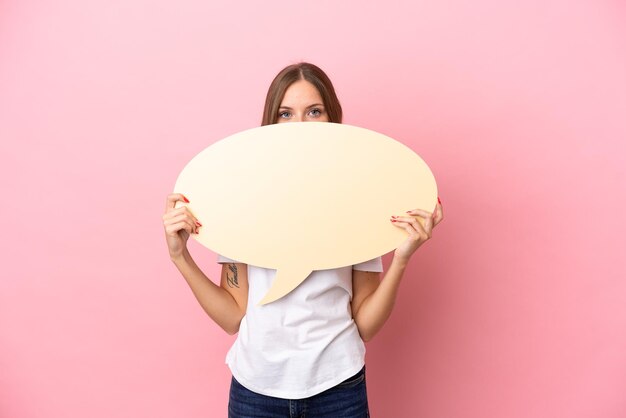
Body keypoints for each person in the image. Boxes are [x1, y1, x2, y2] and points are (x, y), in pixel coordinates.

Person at [162, 62, 444, 417]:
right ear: (271, 123)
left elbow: (367, 325)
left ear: (331, 120)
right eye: (285, 113)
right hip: (255, 391)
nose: (299, 125)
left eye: (314, 111)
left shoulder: (357, 201)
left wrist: (402, 258)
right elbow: (233, 315)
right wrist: (180, 258)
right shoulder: (240, 201)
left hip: (338, 388)